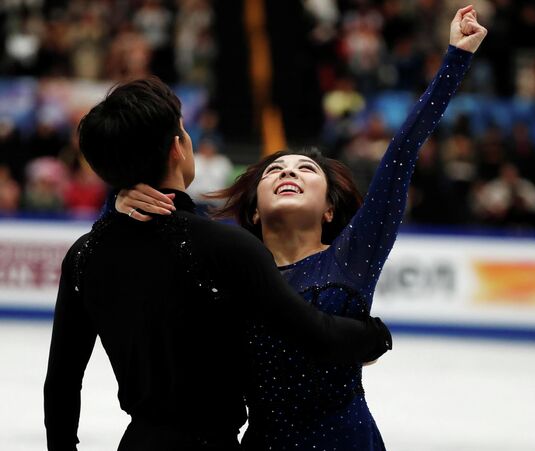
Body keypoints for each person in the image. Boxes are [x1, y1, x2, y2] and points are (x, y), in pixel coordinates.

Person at [116, 6, 487, 450]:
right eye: (274, 170)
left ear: (329, 209)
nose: (288, 172)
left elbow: (404, 147)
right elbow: (144, 232)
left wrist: (456, 58)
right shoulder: (223, 262)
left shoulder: (353, 254)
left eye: (306, 168)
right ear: (253, 209)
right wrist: (120, 200)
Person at [43, 78, 394, 451]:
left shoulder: (84, 254)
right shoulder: (223, 247)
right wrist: (375, 335)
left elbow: (62, 383)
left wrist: (115, 199)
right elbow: (315, 335)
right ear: (177, 148)